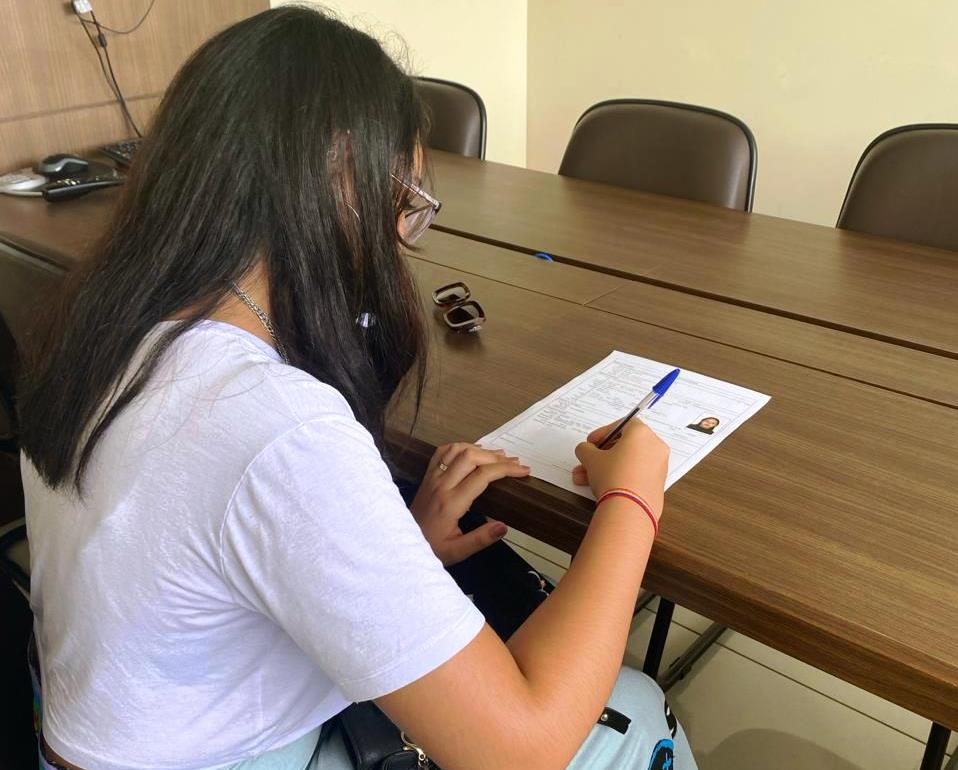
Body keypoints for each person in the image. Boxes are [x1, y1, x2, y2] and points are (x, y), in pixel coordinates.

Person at [18, 7, 696, 770]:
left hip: (110, 736)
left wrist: (395, 543)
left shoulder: (98, 326)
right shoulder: (273, 424)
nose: (401, 236)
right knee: (636, 710)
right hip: (241, 756)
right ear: (340, 177)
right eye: (404, 201)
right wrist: (633, 498)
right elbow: (524, 746)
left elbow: (186, 552)